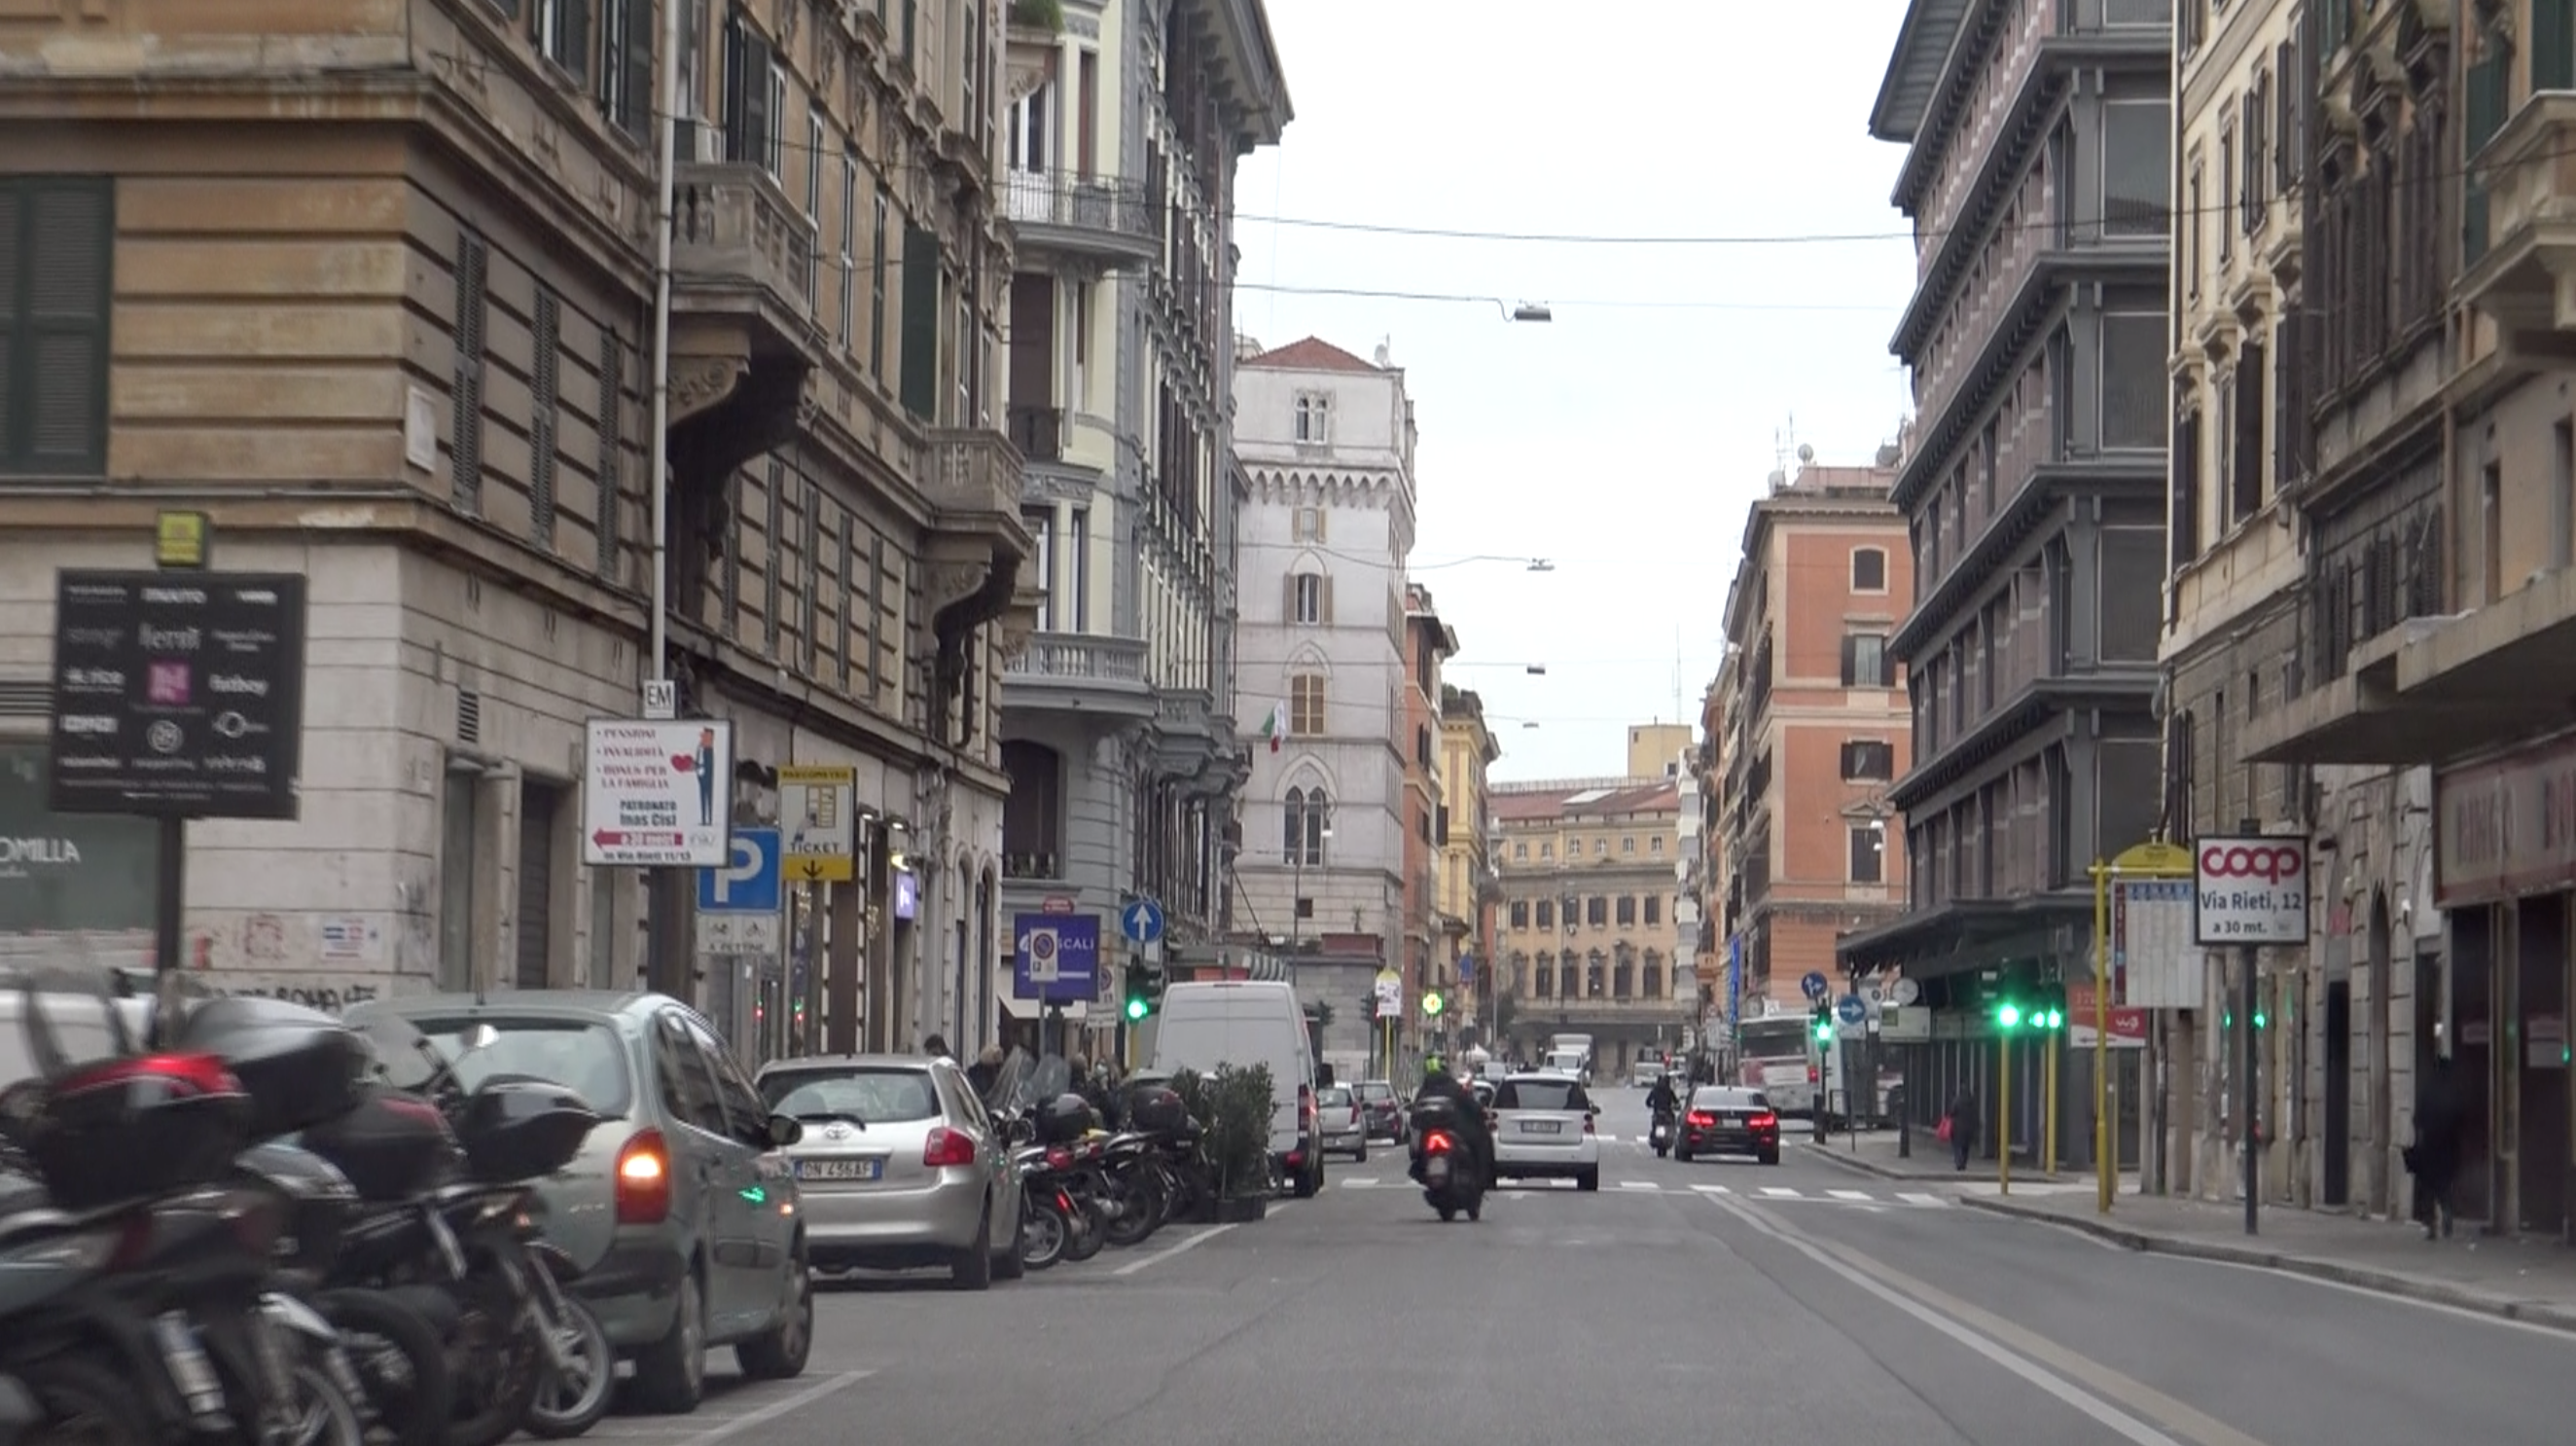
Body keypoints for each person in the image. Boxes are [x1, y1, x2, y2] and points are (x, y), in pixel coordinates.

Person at [1409, 1058, 1493, 1191]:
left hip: (1433, 1137)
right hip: (1448, 1134)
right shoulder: (1453, 1088)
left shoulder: (1423, 1091)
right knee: (1480, 1140)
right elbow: (1469, 1105)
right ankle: (1484, 1178)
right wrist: (1481, 1113)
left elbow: (1414, 1116)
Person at [2408, 1058, 2467, 1240]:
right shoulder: (2453, 1091)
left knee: (2428, 1187)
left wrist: (2420, 1138)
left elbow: (2417, 1119)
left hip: (2430, 1146)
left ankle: (2431, 1225)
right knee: (2445, 1185)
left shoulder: (2428, 1091)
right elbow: (2460, 1119)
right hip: (2448, 1147)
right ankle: (2447, 1213)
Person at [1945, 1085, 1981, 1172]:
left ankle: (1958, 1162)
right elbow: (1975, 1115)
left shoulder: (1957, 1101)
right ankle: (1963, 1162)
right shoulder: (1972, 1103)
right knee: (1966, 1147)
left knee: (1957, 1146)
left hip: (1958, 1128)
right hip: (1969, 1128)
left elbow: (1952, 1112)